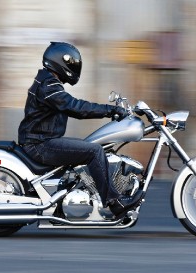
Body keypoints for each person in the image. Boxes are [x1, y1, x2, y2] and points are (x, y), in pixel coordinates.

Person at [18, 41, 142, 217]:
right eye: (71, 64)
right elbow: (75, 107)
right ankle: (115, 202)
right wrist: (110, 110)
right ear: (61, 62)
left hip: (41, 141)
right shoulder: (49, 85)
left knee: (89, 147)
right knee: (94, 151)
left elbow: (72, 106)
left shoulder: (47, 81)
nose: (73, 68)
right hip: (40, 144)